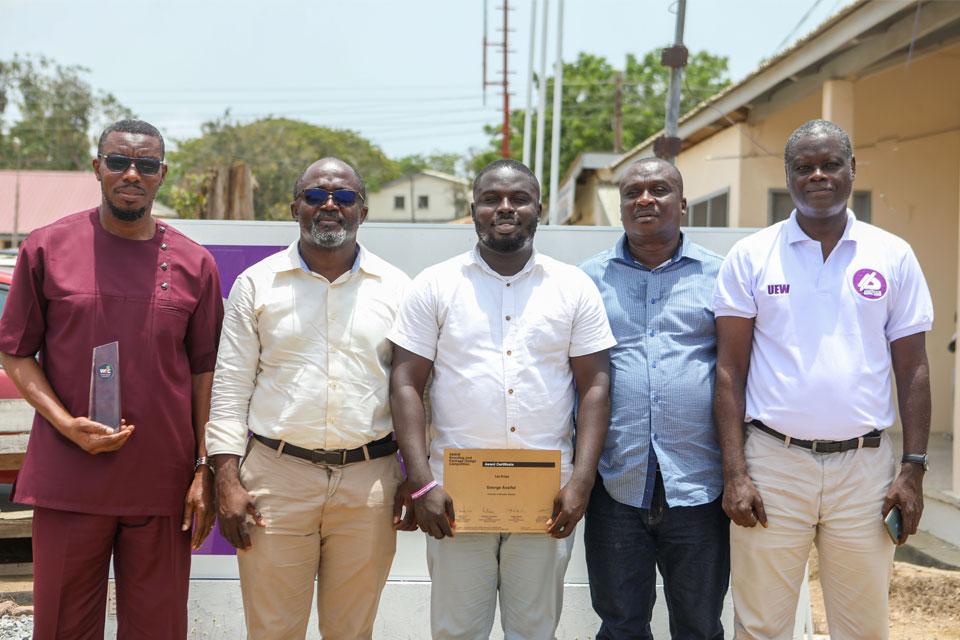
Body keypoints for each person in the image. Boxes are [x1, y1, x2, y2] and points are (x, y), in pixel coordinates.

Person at [0, 119, 223, 639]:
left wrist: (203, 468)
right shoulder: (47, 248)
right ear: (97, 167)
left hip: (161, 482)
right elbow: (15, 353)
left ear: (161, 175)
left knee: (158, 629)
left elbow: (204, 373)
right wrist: (65, 423)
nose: (131, 174)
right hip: (71, 474)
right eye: (119, 162)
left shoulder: (194, 263)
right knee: (61, 627)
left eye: (146, 165)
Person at [713, 119, 933, 639]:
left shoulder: (892, 254)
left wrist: (914, 468)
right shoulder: (751, 256)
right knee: (762, 624)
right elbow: (730, 369)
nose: (818, 175)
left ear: (852, 170)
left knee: (863, 628)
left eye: (830, 164)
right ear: (787, 176)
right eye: (803, 166)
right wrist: (735, 473)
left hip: (866, 469)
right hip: (773, 464)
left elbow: (913, 366)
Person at [389, 158, 615, 640]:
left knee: (533, 631)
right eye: (491, 198)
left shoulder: (573, 286)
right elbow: (406, 383)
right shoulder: (435, 284)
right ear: (473, 208)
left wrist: (581, 481)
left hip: (546, 496)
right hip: (454, 496)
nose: (505, 207)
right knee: (456, 632)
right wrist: (423, 484)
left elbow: (595, 386)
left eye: (519, 198)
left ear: (539, 209)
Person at [206, 157, 415, 640]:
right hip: (276, 480)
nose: (329, 206)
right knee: (273, 630)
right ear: (295, 207)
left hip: (370, 482)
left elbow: (417, 389)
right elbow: (231, 385)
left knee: (351, 630)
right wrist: (226, 478)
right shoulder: (256, 284)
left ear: (363, 210)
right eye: (316, 196)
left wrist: (416, 474)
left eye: (343, 197)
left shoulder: (399, 288)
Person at [579, 158, 728, 640]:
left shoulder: (721, 276)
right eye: (632, 192)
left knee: (700, 625)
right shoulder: (585, 281)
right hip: (615, 483)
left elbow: (738, 372)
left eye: (659, 189)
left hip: (700, 484)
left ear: (682, 203)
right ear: (620, 207)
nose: (645, 199)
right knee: (620, 624)